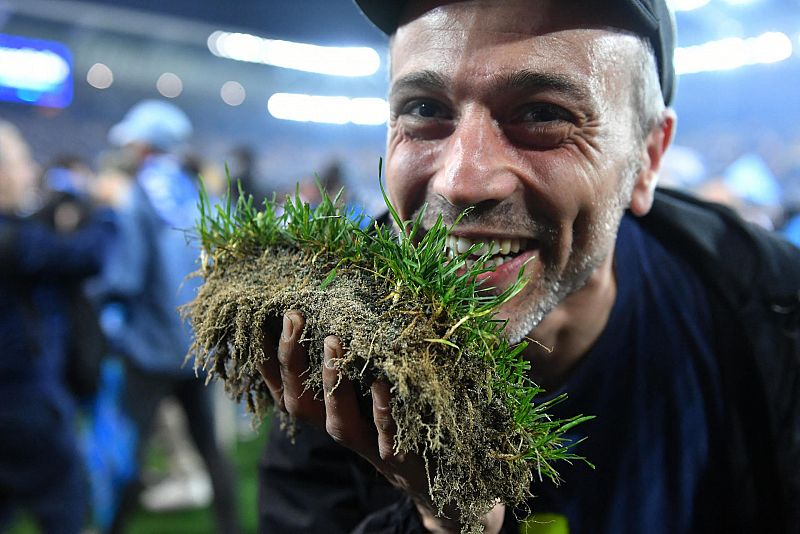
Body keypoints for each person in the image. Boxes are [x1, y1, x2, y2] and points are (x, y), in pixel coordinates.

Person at [256, 1, 800, 533]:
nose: (461, 182)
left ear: (647, 158)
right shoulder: (327, 347)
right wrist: (442, 524)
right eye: (424, 109)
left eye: (543, 114)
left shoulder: (768, 315)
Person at [91, 100, 241, 534]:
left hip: (150, 348)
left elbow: (127, 276)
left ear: (144, 146)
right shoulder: (199, 192)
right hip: (196, 345)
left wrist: (94, 296)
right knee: (209, 448)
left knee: (131, 448)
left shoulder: (139, 195)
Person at [0, 121, 116, 533]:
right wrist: (106, 211)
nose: (31, 171)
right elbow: (86, 256)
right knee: (64, 504)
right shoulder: (13, 242)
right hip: (23, 399)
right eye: (22, 162)